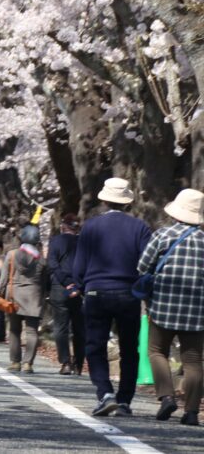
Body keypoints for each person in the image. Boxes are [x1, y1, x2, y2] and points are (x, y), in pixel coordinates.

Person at [74, 177, 152, 417]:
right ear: (127, 203)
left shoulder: (90, 226)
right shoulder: (140, 227)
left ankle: (105, 393)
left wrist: (80, 284)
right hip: (128, 293)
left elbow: (79, 265)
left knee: (95, 346)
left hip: (97, 291)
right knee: (130, 348)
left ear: (105, 200)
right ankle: (125, 400)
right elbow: (147, 264)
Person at [137, 189, 204, 426]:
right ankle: (193, 412)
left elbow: (143, 266)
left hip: (162, 307)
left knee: (156, 351)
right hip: (196, 312)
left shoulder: (163, 235)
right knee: (194, 361)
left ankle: (167, 396)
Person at [1, 225, 46, 374]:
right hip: (34, 296)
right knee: (32, 331)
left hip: (14, 295)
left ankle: (15, 362)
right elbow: (44, 280)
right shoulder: (40, 259)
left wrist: (0, 294)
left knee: (14, 330)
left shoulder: (12, 254)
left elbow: (4, 277)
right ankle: (28, 363)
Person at [48, 214, 84, 375]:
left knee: (60, 327)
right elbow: (87, 265)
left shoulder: (55, 241)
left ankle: (65, 362)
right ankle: (79, 363)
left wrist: (65, 281)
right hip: (80, 289)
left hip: (59, 287)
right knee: (79, 328)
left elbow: (52, 264)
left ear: (63, 226)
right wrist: (76, 284)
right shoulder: (83, 242)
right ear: (77, 228)